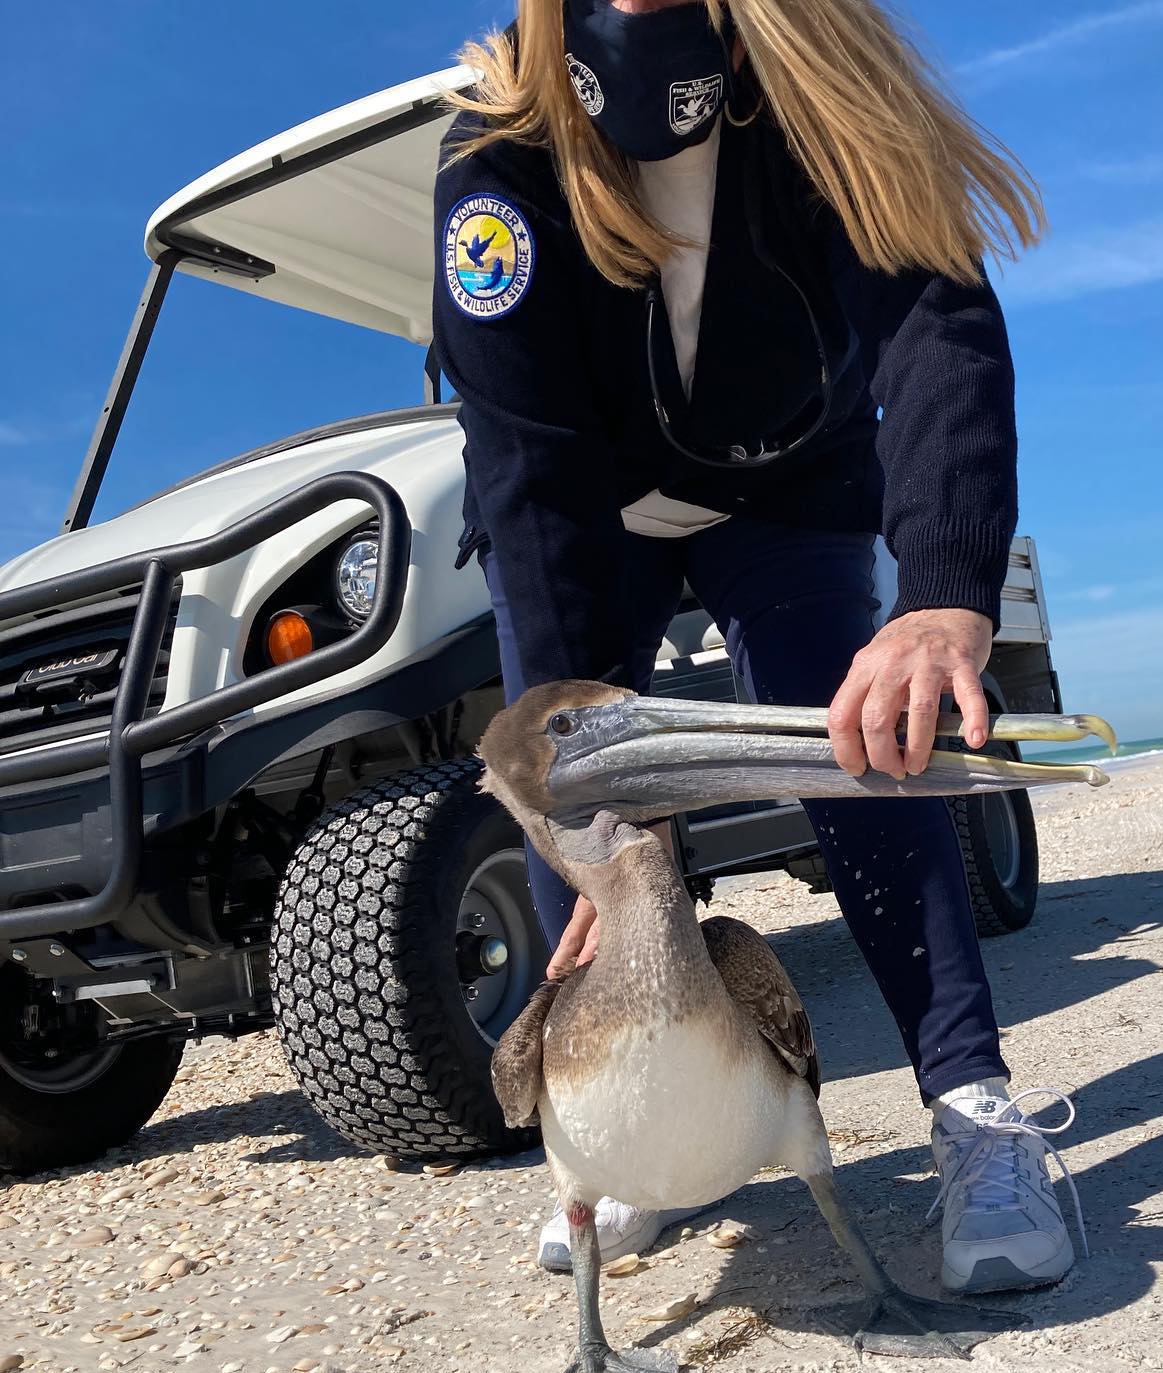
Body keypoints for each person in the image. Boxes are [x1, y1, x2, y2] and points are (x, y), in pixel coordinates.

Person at [432, 0, 1085, 1295]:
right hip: (590, 514)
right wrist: (600, 823)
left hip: (786, 483)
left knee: (860, 744)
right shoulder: (499, 148)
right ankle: (610, 1156)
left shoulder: (819, 81)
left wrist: (942, 592)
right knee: (581, 801)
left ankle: (974, 1110)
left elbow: (932, 327)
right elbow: (529, 470)